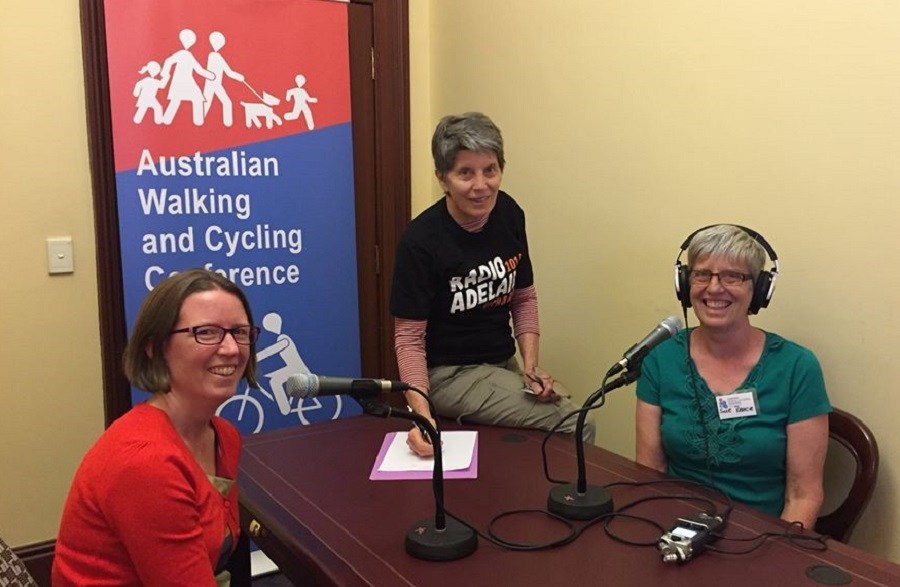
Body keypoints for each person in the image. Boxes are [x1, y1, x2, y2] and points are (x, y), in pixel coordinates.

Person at [391, 112, 594, 457]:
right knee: (576, 423)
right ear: (443, 179)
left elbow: (524, 297)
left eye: (490, 170)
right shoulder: (421, 240)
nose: (481, 185)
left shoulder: (509, 213)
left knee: (554, 413)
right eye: (465, 173)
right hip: (448, 374)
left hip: (501, 363)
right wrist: (422, 416)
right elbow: (409, 339)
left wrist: (530, 367)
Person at [53, 269, 259, 586]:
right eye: (206, 332)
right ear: (154, 347)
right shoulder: (146, 463)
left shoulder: (223, 436)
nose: (231, 349)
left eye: (240, 332)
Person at [635, 224, 830, 529]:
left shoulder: (797, 367)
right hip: (673, 530)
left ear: (759, 290)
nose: (714, 288)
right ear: (685, 283)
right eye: (702, 274)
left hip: (761, 538)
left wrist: (774, 558)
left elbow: (803, 496)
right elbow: (650, 472)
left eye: (732, 276)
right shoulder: (661, 361)